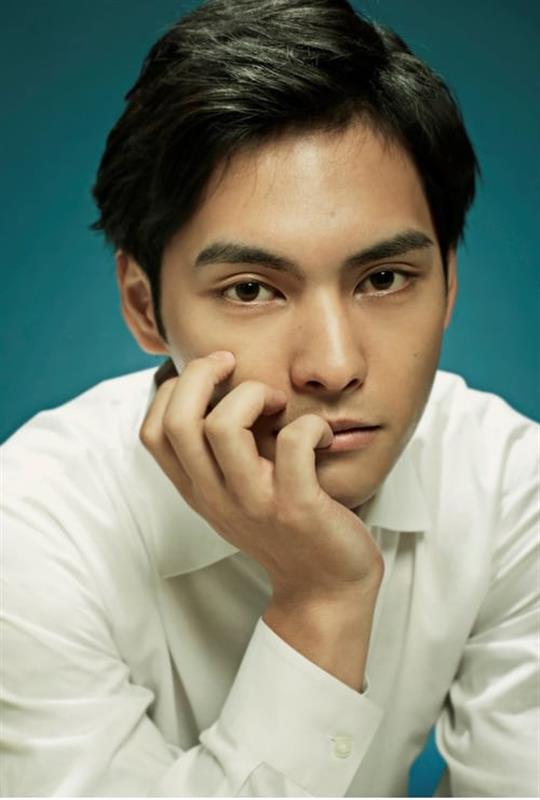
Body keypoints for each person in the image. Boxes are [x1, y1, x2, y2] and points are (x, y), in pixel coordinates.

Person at [1, 0, 538, 795]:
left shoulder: (510, 486)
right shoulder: (27, 528)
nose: (333, 365)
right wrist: (321, 603)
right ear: (145, 306)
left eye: (385, 278)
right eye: (252, 289)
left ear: (449, 283)